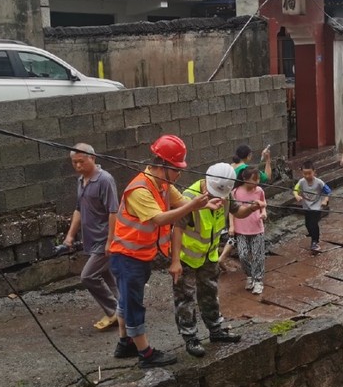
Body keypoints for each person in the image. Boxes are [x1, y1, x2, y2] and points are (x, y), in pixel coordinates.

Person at [107, 134, 215, 367]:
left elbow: (181, 204)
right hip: (126, 257)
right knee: (133, 304)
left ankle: (124, 343)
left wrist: (206, 203)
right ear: (162, 165)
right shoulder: (139, 190)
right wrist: (194, 205)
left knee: (126, 301)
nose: (179, 174)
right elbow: (159, 218)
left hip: (139, 256)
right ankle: (145, 354)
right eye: (176, 169)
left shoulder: (164, 185)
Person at [171, 163, 262, 357]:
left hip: (209, 255)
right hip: (187, 256)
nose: (216, 198)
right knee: (185, 297)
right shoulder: (188, 197)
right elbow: (177, 228)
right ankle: (191, 337)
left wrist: (253, 207)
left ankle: (216, 330)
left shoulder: (226, 194)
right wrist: (175, 261)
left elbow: (238, 212)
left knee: (210, 292)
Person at [60, 144, 120, 331]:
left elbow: (113, 211)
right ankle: (125, 308)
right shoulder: (81, 181)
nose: (78, 165)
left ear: (92, 158)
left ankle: (114, 312)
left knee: (88, 276)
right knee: (107, 276)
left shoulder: (104, 180)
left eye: (81, 161)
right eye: (74, 162)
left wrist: (111, 240)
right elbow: (79, 209)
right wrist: (70, 236)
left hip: (103, 238)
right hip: (90, 238)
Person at [218, 143, 272, 270]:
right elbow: (267, 177)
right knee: (237, 233)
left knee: (234, 234)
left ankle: (222, 258)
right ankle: (223, 258)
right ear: (248, 156)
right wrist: (268, 160)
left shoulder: (229, 168)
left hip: (224, 204)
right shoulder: (246, 171)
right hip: (239, 206)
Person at [231, 167, 267, 295]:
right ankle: (250, 275)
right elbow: (232, 211)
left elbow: (263, 205)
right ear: (245, 179)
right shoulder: (235, 192)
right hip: (241, 229)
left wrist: (263, 213)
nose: (257, 182)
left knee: (258, 255)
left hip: (257, 227)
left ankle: (258, 280)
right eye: (254, 179)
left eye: (258, 179)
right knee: (243, 255)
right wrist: (231, 226)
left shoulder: (259, 191)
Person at [293, 160, 331, 252]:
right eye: (305, 174)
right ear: (302, 173)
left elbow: (328, 191)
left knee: (314, 223)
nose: (307, 176)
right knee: (307, 224)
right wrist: (297, 196)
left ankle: (315, 241)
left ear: (314, 172)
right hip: (306, 206)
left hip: (317, 207)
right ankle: (312, 234)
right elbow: (295, 190)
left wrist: (325, 200)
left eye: (309, 173)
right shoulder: (301, 182)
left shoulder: (319, 182)